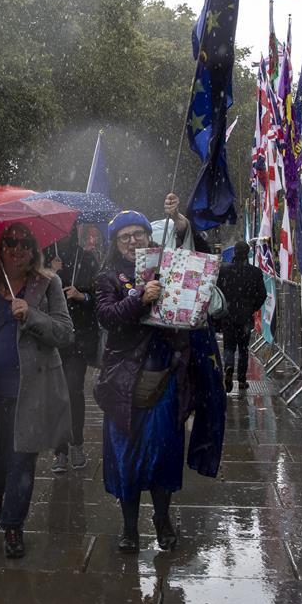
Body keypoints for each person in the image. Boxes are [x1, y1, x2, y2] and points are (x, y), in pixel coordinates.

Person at [0, 223, 73, 558]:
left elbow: (65, 334)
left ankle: (13, 526)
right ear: (0, 248)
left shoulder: (49, 285)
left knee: (22, 463)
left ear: (34, 250)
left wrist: (31, 315)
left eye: (24, 244)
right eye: (10, 242)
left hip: (29, 392)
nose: (17, 249)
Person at [93, 195, 200, 554]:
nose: (134, 241)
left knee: (164, 452)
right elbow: (108, 317)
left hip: (165, 375)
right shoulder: (107, 278)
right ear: (116, 243)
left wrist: (181, 224)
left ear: (149, 237)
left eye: (139, 234)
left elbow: (197, 268)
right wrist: (139, 297)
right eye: (125, 236)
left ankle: (163, 518)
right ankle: (128, 527)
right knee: (126, 457)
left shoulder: (167, 267)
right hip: (124, 382)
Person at [49, 229, 100, 473]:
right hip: (52, 340)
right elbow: (34, 298)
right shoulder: (47, 260)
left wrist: (82, 296)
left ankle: (76, 443)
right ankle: (60, 450)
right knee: (56, 395)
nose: (63, 236)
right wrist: (52, 275)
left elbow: (99, 297)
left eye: (68, 231)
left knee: (73, 390)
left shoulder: (88, 259)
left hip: (79, 340)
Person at [216, 240, 267, 392]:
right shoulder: (255, 272)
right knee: (244, 348)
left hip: (228, 314)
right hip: (245, 316)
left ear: (234, 252)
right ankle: (242, 380)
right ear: (247, 253)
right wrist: (252, 307)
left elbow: (217, 292)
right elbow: (262, 295)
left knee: (229, 345)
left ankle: (229, 366)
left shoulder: (224, 270)